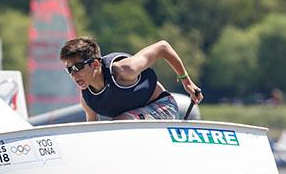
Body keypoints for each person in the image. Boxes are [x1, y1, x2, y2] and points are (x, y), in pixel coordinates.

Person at [59, 37, 203, 121]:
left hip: (163, 107)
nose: (73, 74)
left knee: (119, 124)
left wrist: (186, 81)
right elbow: (93, 130)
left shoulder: (124, 70)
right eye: (69, 69)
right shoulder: (87, 100)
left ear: (95, 64)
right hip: (132, 121)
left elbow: (163, 47)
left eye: (77, 67)